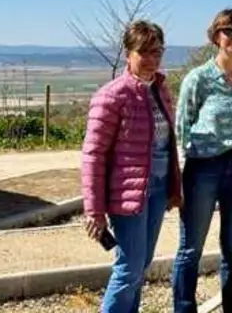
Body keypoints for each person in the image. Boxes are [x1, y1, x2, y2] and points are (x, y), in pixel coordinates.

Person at [80, 19, 183, 313]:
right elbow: (93, 155)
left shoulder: (161, 91)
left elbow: (167, 144)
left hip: (158, 188)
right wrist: (94, 209)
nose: (151, 59)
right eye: (144, 52)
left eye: (157, 52)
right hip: (127, 193)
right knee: (129, 267)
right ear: (129, 53)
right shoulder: (111, 96)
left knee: (141, 264)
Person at [171, 8, 232, 313]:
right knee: (190, 249)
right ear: (216, 36)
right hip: (203, 168)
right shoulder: (199, 79)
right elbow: (181, 127)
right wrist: (180, 173)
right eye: (228, 31)